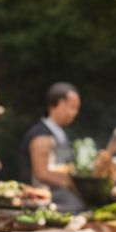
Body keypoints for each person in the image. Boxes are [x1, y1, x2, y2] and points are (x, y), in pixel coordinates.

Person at [19, 82, 85, 212]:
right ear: (58, 104)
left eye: (77, 109)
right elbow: (41, 173)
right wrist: (72, 184)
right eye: (72, 107)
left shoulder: (60, 133)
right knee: (77, 205)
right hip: (42, 196)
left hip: (59, 193)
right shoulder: (41, 135)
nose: (75, 113)